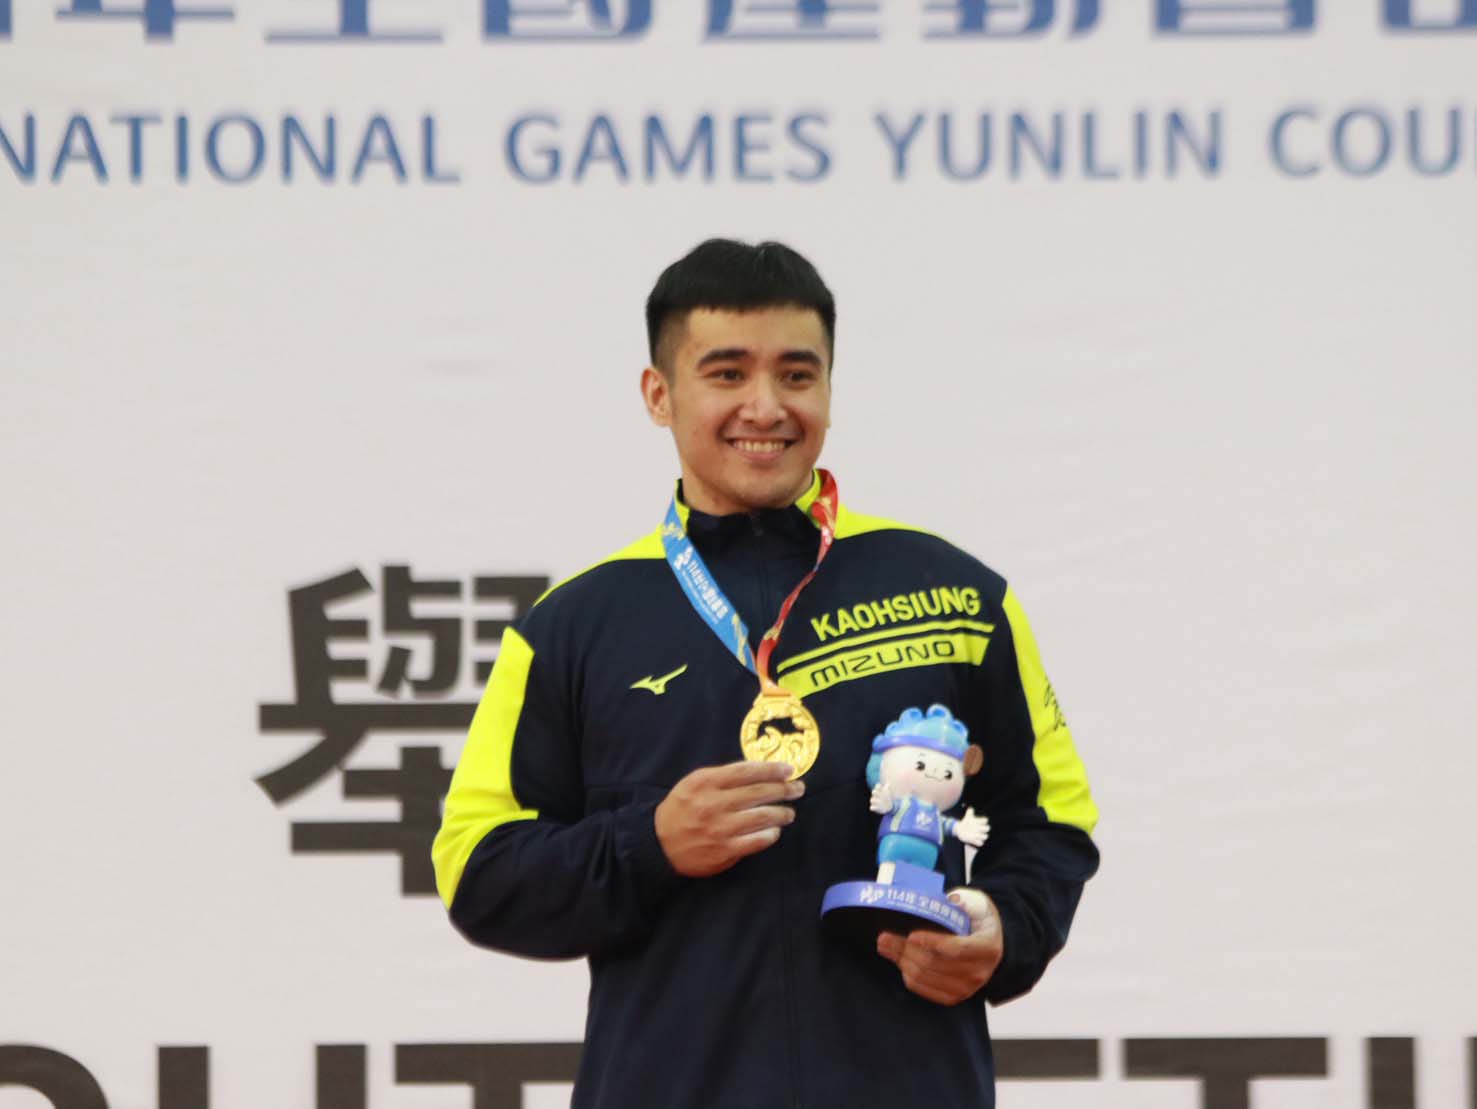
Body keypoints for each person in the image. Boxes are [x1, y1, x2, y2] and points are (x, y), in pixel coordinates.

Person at [432, 239, 1099, 1109]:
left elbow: (1050, 821)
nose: (766, 406)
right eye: (726, 373)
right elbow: (477, 867)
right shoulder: (573, 625)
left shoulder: (954, 594)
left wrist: (1003, 927)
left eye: (796, 374)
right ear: (658, 394)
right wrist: (650, 843)